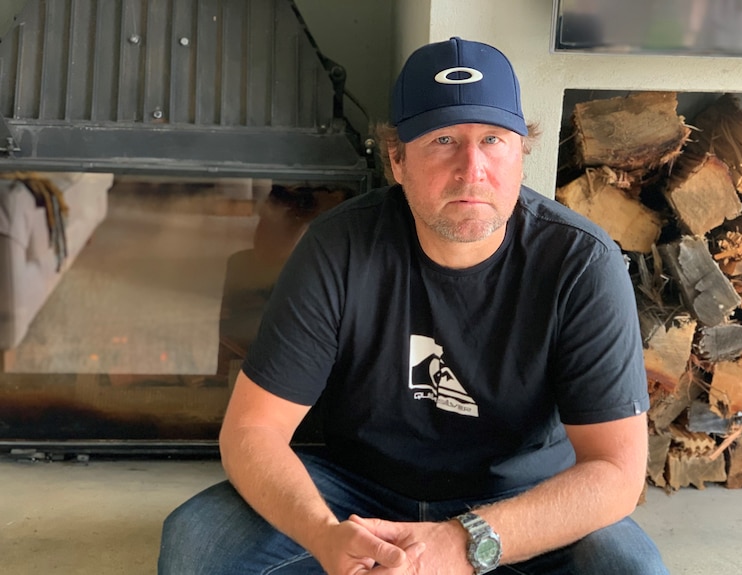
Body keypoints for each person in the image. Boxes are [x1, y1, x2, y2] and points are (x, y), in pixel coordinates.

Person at [158, 36, 668, 575]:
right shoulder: (340, 247)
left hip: (516, 501)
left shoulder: (581, 261)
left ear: (522, 153)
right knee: (198, 543)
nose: (472, 168)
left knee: (628, 567)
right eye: (444, 139)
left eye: (494, 139)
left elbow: (616, 470)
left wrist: (467, 541)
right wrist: (323, 533)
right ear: (397, 160)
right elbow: (251, 431)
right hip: (359, 493)